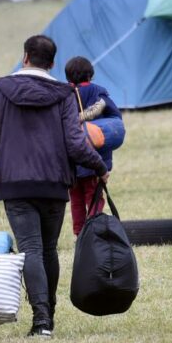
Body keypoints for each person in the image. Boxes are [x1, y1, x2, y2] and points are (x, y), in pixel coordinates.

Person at [0, 35, 108, 338]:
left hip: (15, 183)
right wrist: (99, 166)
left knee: (30, 248)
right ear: (53, 63)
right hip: (54, 183)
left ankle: (41, 321)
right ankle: (48, 315)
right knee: (47, 250)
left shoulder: (0, 91)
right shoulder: (64, 94)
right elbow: (75, 142)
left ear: (25, 56)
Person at [64, 56, 123, 235]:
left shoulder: (64, 95)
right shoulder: (99, 93)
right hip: (94, 162)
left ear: (68, 78)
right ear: (90, 75)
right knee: (95, 197)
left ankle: (80, 234)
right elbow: (115, 119)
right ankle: (96, 232)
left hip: (72, 162)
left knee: (76, 200)